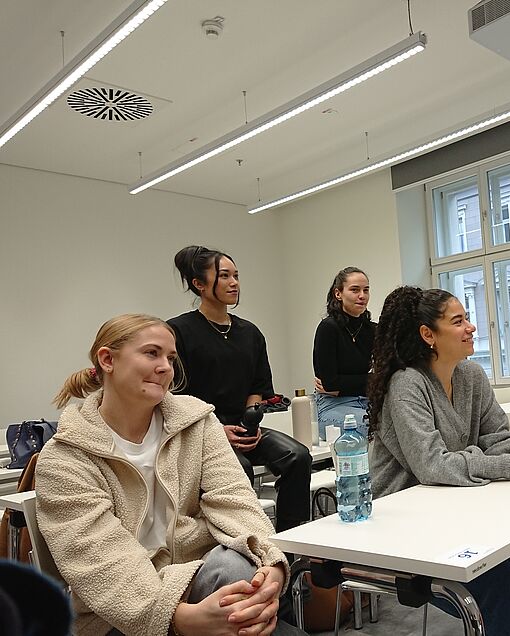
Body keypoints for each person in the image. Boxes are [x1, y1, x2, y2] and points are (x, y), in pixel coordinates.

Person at [37, 314, 306, 636]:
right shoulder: (65, 457)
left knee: (237, 568)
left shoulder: (196, 422)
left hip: (206, 582)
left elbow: (235, 500)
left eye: (171, 358)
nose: (166, 367)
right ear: (107, 359)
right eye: (152, 353)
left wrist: (271, 564)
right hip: (121, 615)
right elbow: (103, 564)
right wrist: (178, 618)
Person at [368, 286, 510, 636]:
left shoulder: (471, 375)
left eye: (467, 319)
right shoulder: (406, 385)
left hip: (460, 514)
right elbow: (432, 466)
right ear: (428, 334)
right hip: (407, 526)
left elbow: (496, 438)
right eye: (459, 321)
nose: (471, 327)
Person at [168, 246, 310, 532]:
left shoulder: (250, 333)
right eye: (224, 276)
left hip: (244, 429)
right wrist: (217, 430)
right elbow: (175, 397)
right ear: (199, 284)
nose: (234, 283)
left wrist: (250, 420)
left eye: (236, 275)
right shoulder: (178, 331)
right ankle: (247, 542)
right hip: (202, 433)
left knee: (298, 456)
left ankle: (289, 544)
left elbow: (257, 386)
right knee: (238, 468)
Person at [312, 267, 375, 439]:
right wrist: (371, 380)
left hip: (366, 402)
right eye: (355, 290)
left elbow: (386, 376)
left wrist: (341, 386)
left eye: (366, 290)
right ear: (338, 293)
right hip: (332, 405)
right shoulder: (328, 328)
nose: (362, 295)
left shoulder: (372, 329)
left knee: (398, 423)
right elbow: (330, 382)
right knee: (373, 428)